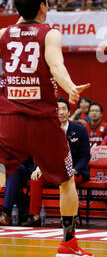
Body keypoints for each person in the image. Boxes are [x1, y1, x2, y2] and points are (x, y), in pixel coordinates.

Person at [0, 0, 93, 257]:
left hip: (9, 119)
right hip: (42, 121)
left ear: (17, 8)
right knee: (66, 181)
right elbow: (56, 65)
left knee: (4, 171)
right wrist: (70, 87)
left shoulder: (3, 34)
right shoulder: (49, 34)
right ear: (44, 7)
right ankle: (68, 244)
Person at [22, 97, 91, 227]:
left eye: (64, 109)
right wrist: (38, 167)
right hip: (52, 171)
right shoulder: (46, 130)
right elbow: (39, 154)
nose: (61, 112)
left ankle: (67, 219)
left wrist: (75, 169)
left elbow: (85, 156)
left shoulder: (80, 130)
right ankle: (35, 216)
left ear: (69, 112)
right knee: (36, 178)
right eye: (58, 109)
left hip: (75, 171)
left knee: (67, 181)